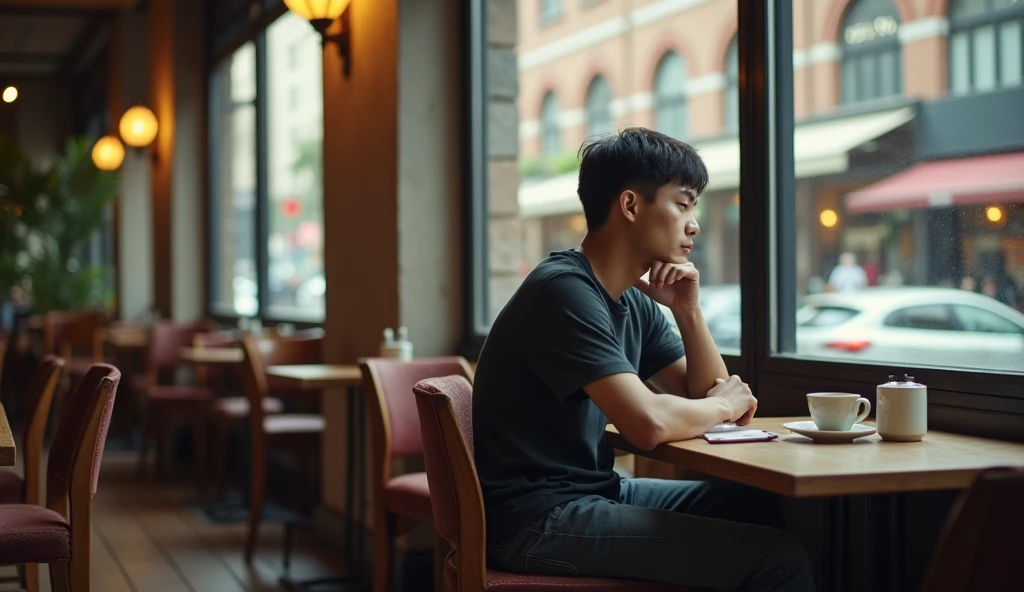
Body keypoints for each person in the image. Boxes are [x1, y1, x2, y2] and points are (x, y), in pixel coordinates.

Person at [473, 128, 814, 590]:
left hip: (593, 495)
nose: (694, 223)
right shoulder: (563, 291)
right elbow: (649, 423)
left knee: (760, 507)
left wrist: (688, 312)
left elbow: (703, 395)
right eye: (683, 203)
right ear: (631, 205)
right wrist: (726, 406)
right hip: (537, 520)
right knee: (779, 558)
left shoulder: (631, 301)